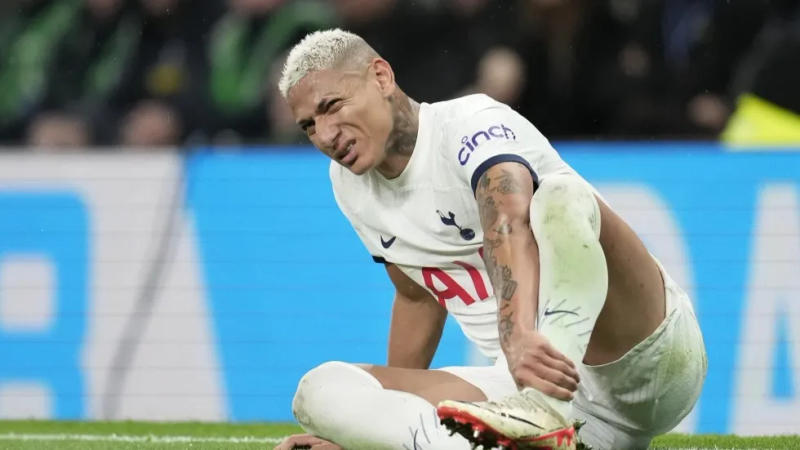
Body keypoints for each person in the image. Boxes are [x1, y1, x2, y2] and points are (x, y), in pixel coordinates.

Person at [275, 29, 707, 450]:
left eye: (332, 106)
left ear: (381, 77)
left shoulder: (471, 122)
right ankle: (494, 442)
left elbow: (508, 219)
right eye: (309, 126)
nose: (325, 136)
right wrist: (368, 427)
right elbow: (416, 297)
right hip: (523, 389)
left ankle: (542, 411)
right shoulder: (350, 186)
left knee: (562, 197)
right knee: (321, 390)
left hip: (642, 362)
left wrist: (518, 338)